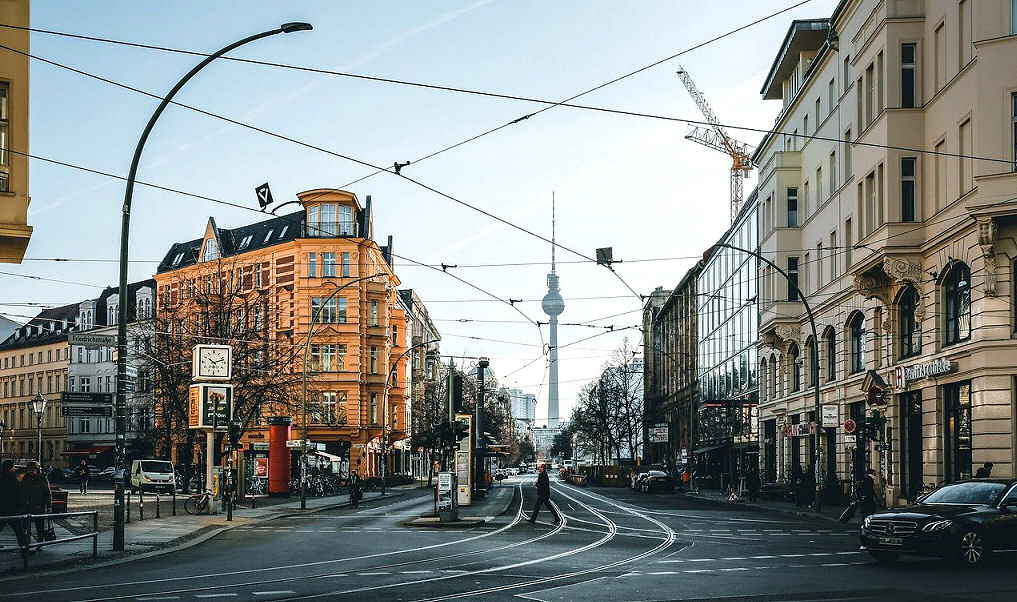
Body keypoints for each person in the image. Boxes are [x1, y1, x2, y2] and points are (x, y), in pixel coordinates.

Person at [19, 461, 52, 544]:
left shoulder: (42, 478)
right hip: (27, 505)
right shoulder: (27, 477)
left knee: (39, 526)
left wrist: (49, 506)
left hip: (39, 505)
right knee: (26, 526)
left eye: (32, 469)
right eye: (29, 469)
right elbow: (21, 490)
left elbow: (47, 493)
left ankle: (40, 543)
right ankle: (27, 543)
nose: (30, 471)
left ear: (36, 469)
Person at [0, 459, 30, 550]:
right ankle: (24, 550)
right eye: (13, 467)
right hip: (12, 509)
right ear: (10, 469)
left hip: (2, 509)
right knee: (19, 531)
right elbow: (17, 493)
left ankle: (24, 548)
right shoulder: (12, 479)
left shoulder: (1, 477)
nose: (14, 468)